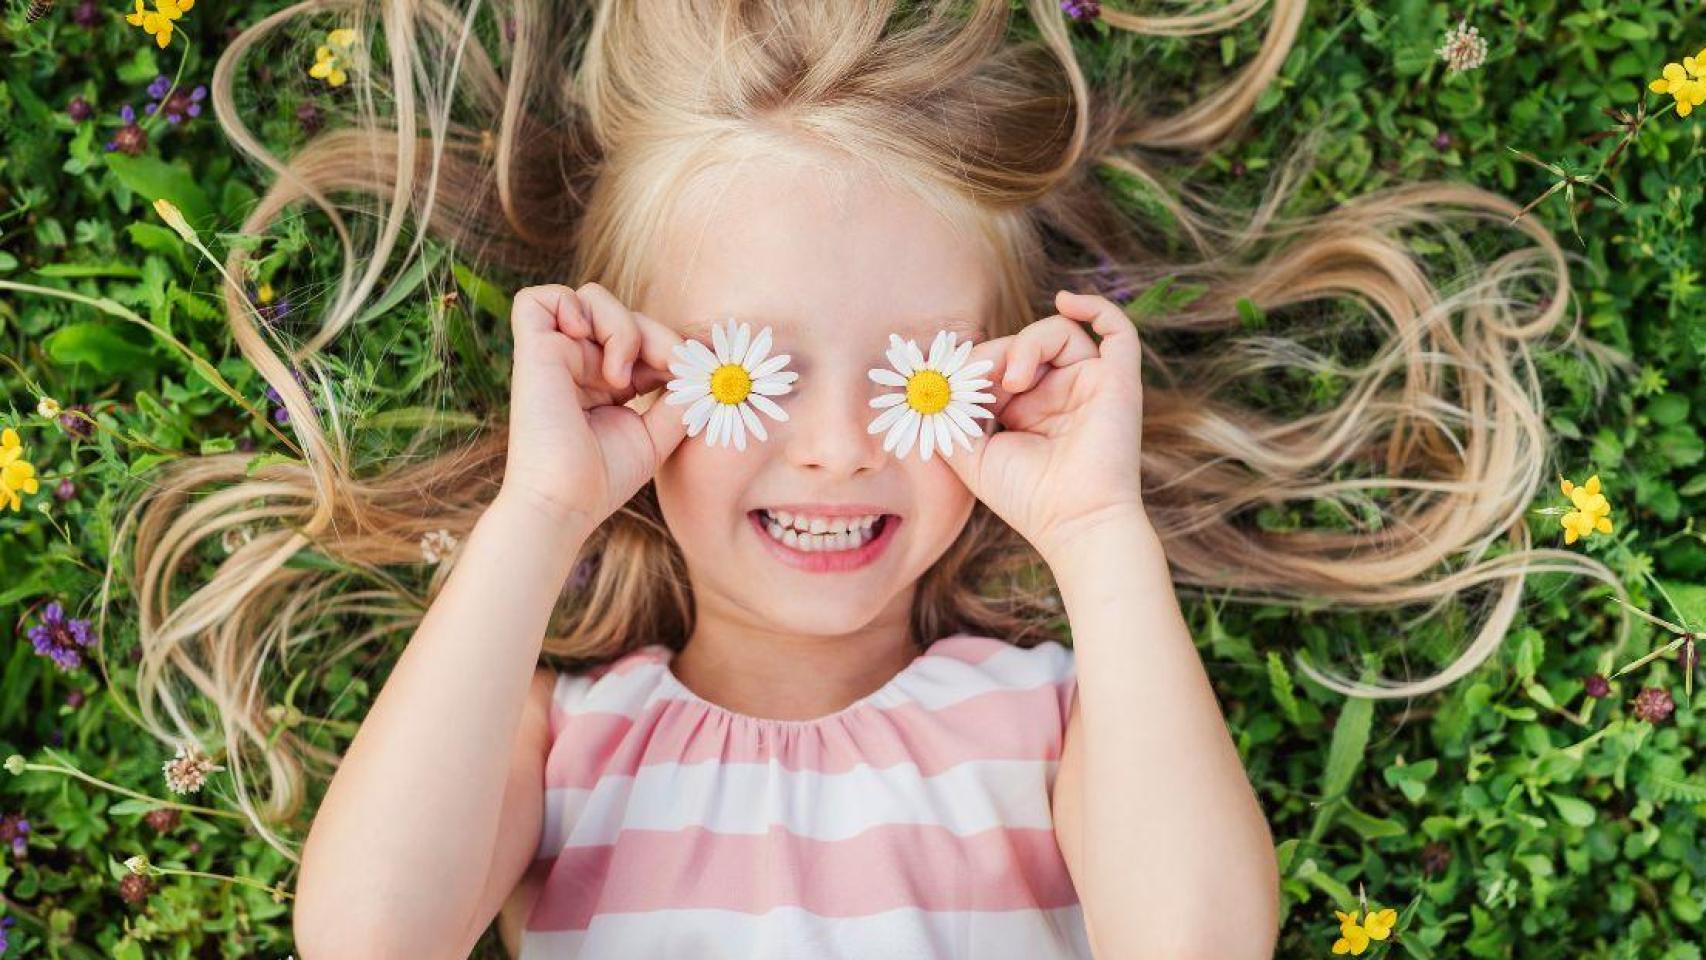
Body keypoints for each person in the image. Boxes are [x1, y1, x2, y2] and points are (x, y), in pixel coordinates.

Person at [118, 0, 1620, 957]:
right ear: (631, 377)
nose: (836, 442)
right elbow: (369, 935)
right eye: (744, 371)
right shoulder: (566, 742)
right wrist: (542, 509)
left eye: (918, 373)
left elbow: (1201, 942)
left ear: (999, 379)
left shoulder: (1050, 720)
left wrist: (1100, 533)